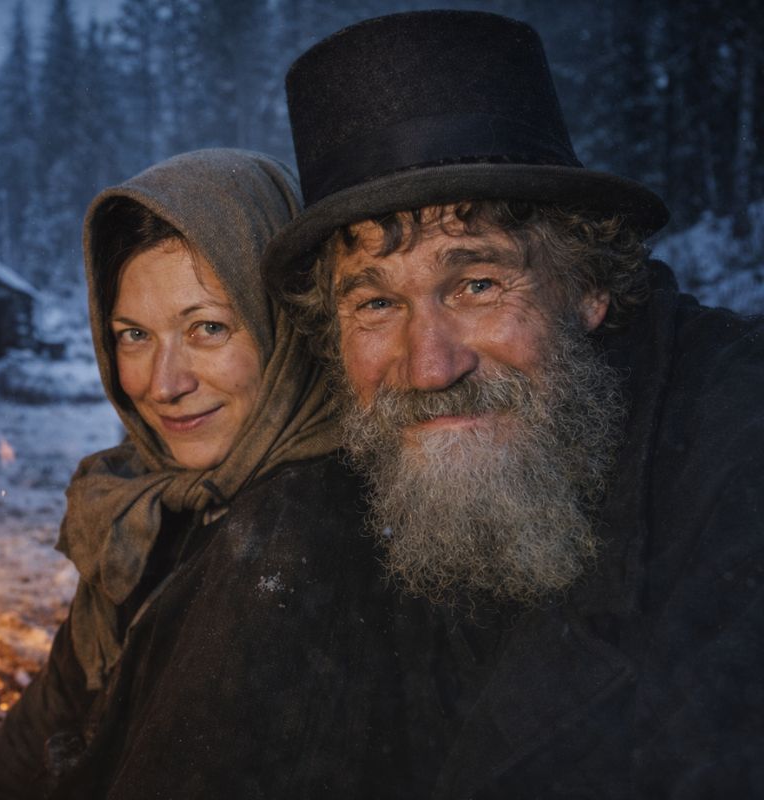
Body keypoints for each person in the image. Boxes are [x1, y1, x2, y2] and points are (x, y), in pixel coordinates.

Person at [262, 10, 764, 797]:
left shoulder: (740, 456)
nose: (430, 367)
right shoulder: (338, 485)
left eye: (477, 284)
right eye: (375, 304)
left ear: (589, 284)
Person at [0, 148, 359, 799]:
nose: (163, 384)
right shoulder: (145, 508)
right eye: (133, 335)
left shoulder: (311, 542)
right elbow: (57, 708)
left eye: (209, 328)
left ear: (289, 322)